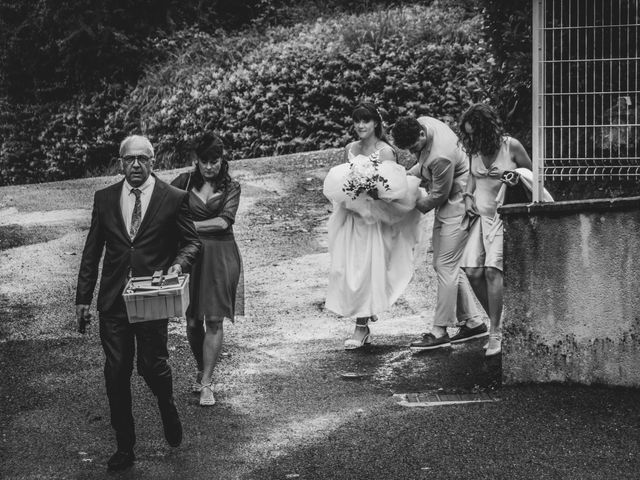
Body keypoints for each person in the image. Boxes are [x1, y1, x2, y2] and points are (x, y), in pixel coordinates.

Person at [75, 135, 201, 472]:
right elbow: (92, 251)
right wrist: (83, 298)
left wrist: (178, 265)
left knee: (151, 366)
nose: (135, 165)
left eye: (142, 159)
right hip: (113, 301)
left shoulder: (173, 198)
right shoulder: (104, 200)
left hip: (151, 297)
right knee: (116, 372)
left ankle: (166, 402)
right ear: (120, 162)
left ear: (152, 161)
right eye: (129, 159)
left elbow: (191, 242)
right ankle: (125, 447)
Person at [323, 102, 424, 349]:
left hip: (374, 220)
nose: (360, 126)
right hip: (350, 218)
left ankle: (361, 327)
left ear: (376, 123)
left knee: (366, 271)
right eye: (357, 121)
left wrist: (374, 192)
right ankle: (365, 313)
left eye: (365, 121)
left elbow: (393, 189)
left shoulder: (386, 152)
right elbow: (341, 180)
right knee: (348, 271)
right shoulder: (350, 148)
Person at [391, 115, 486, 351]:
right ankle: (473, 322)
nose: (413, 151)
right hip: (447, 202)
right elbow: (421, 166)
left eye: (414, 147)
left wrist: (407, 203)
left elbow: (437, 196)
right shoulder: (423, 122)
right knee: (442, 265)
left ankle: (440, 330)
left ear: (421, 135)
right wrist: (398, 180)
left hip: (459, 204)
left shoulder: (440, 156)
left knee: (445, 266)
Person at [171, 133, 244, 406]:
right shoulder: (184, 182)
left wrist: (186, 225)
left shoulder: (232, 186)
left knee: (214, 319)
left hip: (221, 256)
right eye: (205, 161)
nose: (210, 166)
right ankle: (202, 369)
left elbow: (224, 222)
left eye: (215, 161)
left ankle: (206, 383)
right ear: (197, 161)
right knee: (192, 320)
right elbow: (164, 206)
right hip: (190, 256)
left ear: (222, 159)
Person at [457, 103, 532, 356]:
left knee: (492, 270)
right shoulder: (474, 149)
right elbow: (472, 176)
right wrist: (468, 196)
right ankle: (499, 321)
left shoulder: (511, 146)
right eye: (468, 134)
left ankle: (496, 332)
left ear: (488, 129)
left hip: (504, 218)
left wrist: (515, 177)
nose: (471, 139)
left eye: (475, 133)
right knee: (471, 270)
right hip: (481, 218)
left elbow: (531, 175)